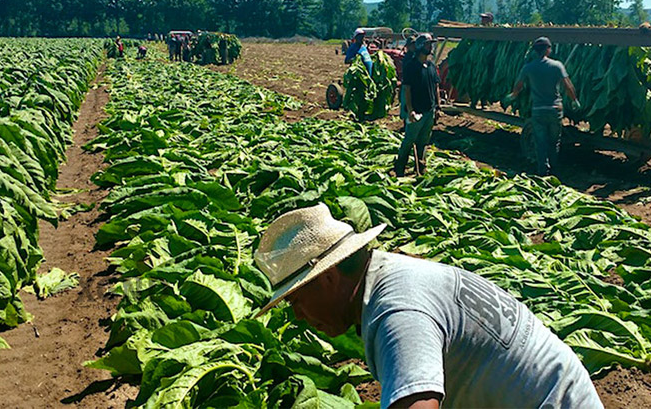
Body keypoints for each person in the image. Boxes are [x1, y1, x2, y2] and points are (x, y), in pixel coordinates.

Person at [254, 203, 603, 409]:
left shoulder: (396, 313)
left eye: (297, 299)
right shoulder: (391, 276)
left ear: (329, 277)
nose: (299, 314)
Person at [507, 36, 579, 176]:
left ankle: (542, 172)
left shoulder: (528, 67)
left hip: (538, 110)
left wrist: (513, 95)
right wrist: (574, 100)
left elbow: (519, 85)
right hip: (555, 110)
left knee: (540, 142)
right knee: (554, 142)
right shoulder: (557, 65)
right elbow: (568, 85)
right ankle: (554, 171)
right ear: (548, 50)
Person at [394, 33, 440, 177]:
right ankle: (400, 167)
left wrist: (438, 107)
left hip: (429, 110)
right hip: (417, 111)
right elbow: (407, 89)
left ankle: (420, 167)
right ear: (420, 46)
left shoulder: (431, 66)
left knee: (424, 141)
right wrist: (410, 110)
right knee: (409, 140)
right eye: (428, 44)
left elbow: (436, 87)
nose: (430, 47)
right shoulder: (411, 66)